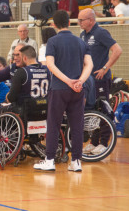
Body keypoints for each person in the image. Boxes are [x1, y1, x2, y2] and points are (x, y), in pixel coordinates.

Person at [34, 10, 93, 172]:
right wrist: (80, 80)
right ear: (69, 22)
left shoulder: (52, 41)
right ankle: (76, 162)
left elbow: (51, 65)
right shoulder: (81, 42)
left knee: (53, 123)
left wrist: (67, 80)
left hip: (59, 88)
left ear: (54, 24)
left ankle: (50, 160)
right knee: (77, 125)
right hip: (78, 89)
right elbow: (90, 65)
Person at [79, 8, 122, 154]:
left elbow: (117, 50)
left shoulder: (101, 33)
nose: (79, 22)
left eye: (81, 20)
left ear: (90, 20)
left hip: (101, 79)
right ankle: (94, 141)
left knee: (103, 109)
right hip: (88, 80)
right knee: (92, 110)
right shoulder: (82, 35)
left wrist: (105, 67)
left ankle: (104, 142)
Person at [6, 46, 50, 113]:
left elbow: (11, 98)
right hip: (45, 110)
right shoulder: (47, 70)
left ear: (25, 58)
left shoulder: (21, 72)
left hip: (26, 111)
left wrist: (7, 96)